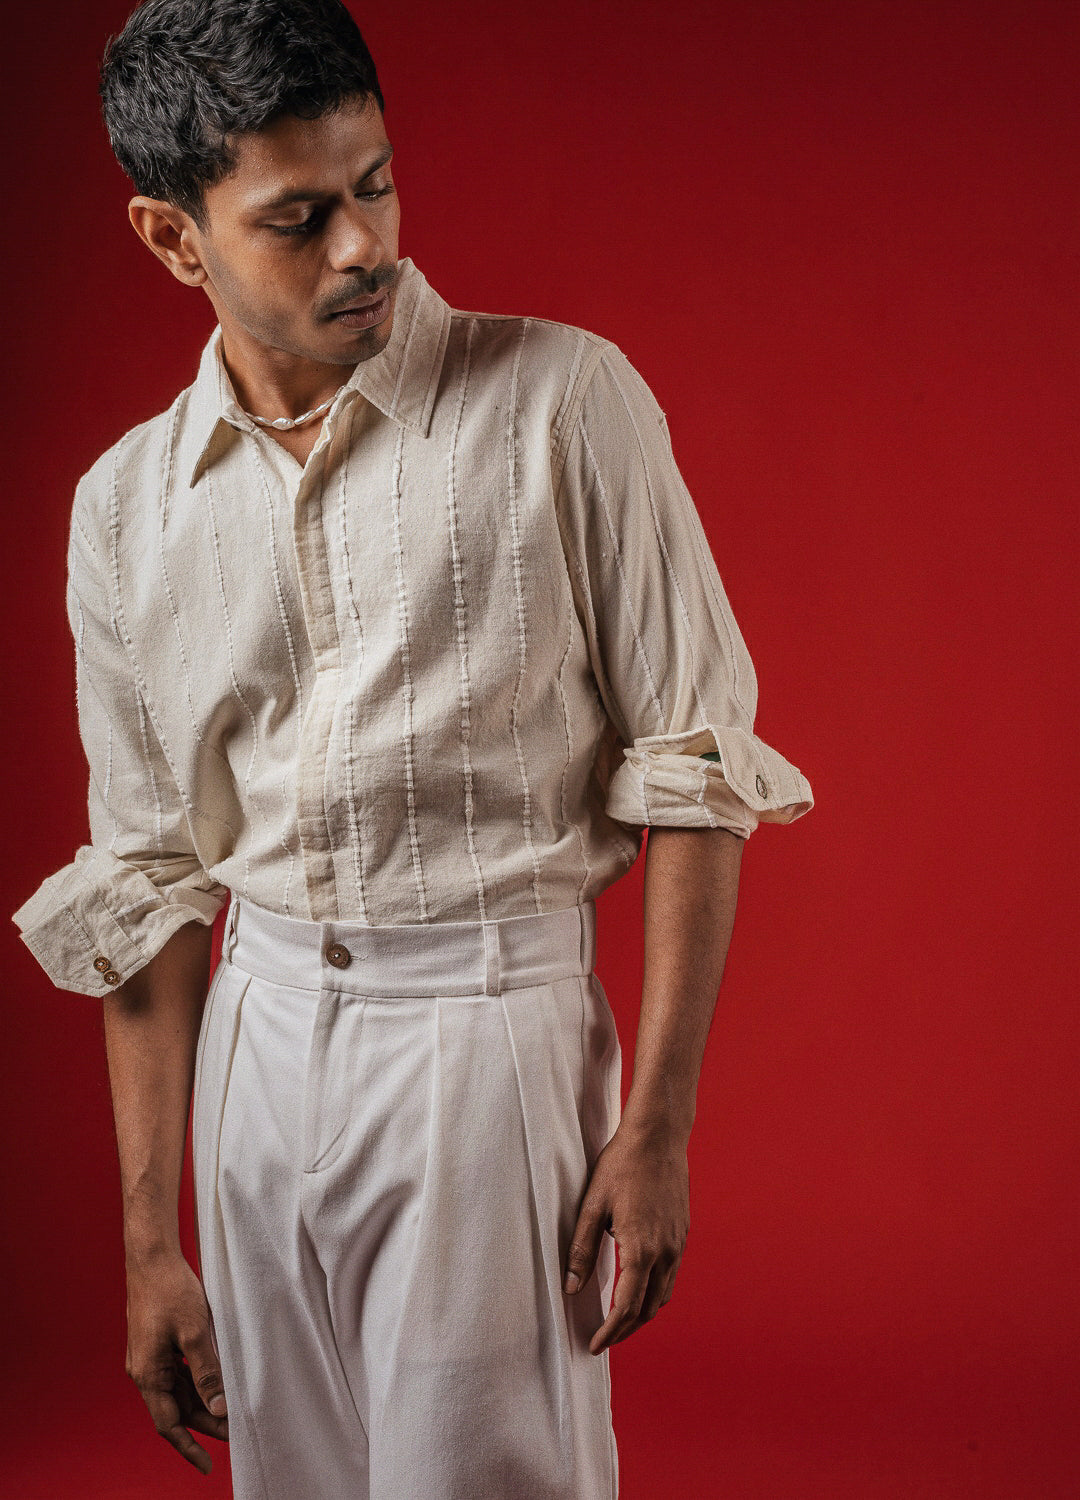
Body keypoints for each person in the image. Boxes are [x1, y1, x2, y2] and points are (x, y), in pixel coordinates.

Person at [11, 1, 815, 1495]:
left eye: (375, 185)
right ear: (174, 239)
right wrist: (145, 1243)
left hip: (484, 1038)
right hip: (254, 1048)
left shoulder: (563, 403)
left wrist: (655, 1127)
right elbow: (147, 884)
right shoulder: (123, 507)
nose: (363, 247)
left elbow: (697, 774)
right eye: (297, 218)